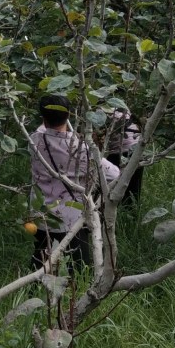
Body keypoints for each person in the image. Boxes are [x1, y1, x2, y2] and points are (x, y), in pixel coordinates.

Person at [29, 94, 119, 272]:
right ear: (68, 115)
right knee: (80, 267)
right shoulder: (80, 149)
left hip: (41, 214)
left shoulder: (34, 140)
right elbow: (114, 174)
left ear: (43, 117)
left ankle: (34, 289)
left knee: (40, 259)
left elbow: (44, 128)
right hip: (70, 218)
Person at [104, 107, 143, 205]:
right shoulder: (123, 108)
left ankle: (113, 206)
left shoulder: (101, 112)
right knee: (134, 184)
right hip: (136, 149)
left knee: (114, 182)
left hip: (119, 151)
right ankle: (132, 209)